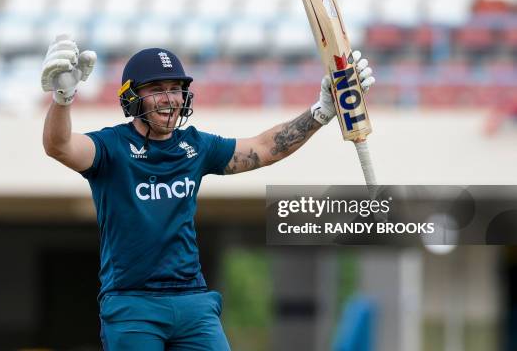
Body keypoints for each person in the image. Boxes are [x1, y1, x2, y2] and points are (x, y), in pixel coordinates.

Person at [41, 35, 375, 350]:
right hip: (133, 304)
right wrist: (63, 99)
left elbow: (264, 148)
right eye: (157, 89)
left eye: (176, 88)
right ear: (131, 97)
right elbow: (59, 146)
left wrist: (321, 111)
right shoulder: (111, 147)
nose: (170, 98)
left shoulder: (194, 146)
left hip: (193, 302)